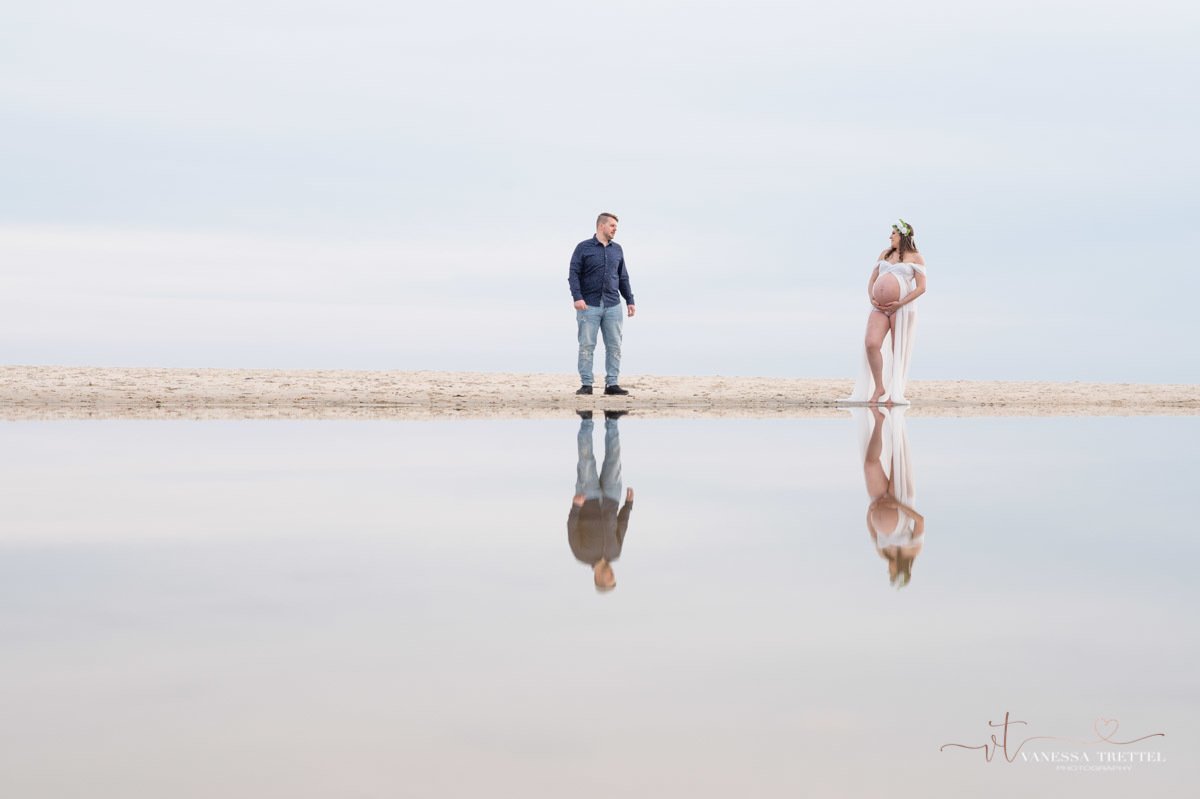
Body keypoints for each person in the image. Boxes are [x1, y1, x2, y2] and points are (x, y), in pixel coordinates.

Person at [845, 220, 927, 405]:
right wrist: (871, 298)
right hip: (879, 308)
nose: (890, 236)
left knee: (897, 350)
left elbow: (922, 288)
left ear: (904, 235)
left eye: (893, 233)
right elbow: (872, 279)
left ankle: (895, 392)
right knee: (871, 344)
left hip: (902, 307)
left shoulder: (916, 257)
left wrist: (900, 303)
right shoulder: (884, 254)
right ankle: (879, 387)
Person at [853, 405, 926, 588]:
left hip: (878, 501)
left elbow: (872, 533)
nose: (888, 571)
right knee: (896, 456)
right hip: (899, 500)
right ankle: (894, 415)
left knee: (870, 464)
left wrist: (869, 514)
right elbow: (920, 521)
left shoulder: (883, 554)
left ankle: (879, 421)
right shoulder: (913, 551)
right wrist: (897, 505)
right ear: (901, 570)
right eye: (892, 573)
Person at [568, 213, 636, 396]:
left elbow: (623, 276)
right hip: (588, 305)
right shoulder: (583, 248)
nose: (615, 229)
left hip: (613, 305)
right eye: (612, 225)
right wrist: (577, 297)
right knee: (586, 346)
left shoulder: (618, 249)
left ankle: (612, 384)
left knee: (614, 346)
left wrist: (630, 300)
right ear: (601, 226)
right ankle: (586, 384)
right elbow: (573, 274)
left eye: (616, 226)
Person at [568, 410, 635, 591]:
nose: (612, 575)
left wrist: (575, 507)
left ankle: (586, 420)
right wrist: (628, 505)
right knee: (614, 457)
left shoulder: (581, 555)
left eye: (609, 579)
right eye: (613, 578)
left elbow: (572, 528)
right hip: (612, 499)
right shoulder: (616, 552)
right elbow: (622, 526)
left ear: (598, 579)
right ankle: (612, 420)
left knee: (586, 459)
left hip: (587, 498)